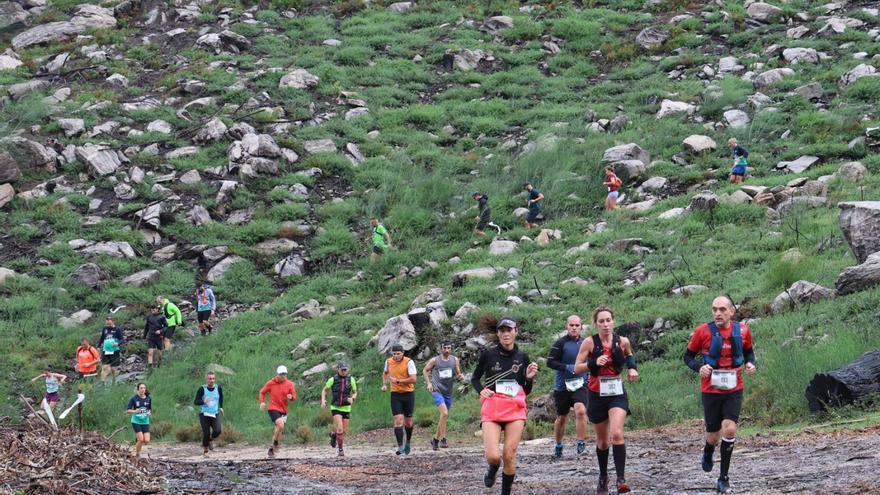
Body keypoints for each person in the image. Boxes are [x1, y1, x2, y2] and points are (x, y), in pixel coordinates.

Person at [684, 296, 756, 494]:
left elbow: (749, 352)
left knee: (730, 430)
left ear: (731, 311)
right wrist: (700, 367)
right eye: (715, 309)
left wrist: (751, 364)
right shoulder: (703, 331)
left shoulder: (742, 330)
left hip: (734, 387)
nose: (718, 313)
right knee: (713, 436)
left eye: (722, 309)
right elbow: (687, 357)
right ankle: (708, 450)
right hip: (711, 389)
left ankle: (723, 478)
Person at [574, 305, 639, 495]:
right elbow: (577, 368)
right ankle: (603, 476)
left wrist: (632, 368)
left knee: (617, 434)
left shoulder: (622, 341)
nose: (605, 324)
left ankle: (621, 480)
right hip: (596, 394)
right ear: (595, 324)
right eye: (601, 321)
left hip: (616, 392)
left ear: (613, 321)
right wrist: (594, 363)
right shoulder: (589, 342)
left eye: (608, 320)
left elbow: (629, 355)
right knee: (602, 442)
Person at [471, 316, 539, 495]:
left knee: (509, 453)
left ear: (516, 331)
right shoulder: (488, 355)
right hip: (492, 407)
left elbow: (526, 389)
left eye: (509, 330)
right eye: (502, 330)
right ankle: (493, 468)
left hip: (514, 408)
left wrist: (529, 378)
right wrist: (481, 390)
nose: (506, 334)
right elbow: (475, 378)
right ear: (498, 333)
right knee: (494, 456)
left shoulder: (523, 357)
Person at [547, 315, 589, 459]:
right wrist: (568, 367)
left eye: (577, 325)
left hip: (580, 384)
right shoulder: (560, 343)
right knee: (562, 418)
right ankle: (558, 445)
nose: (574, 328)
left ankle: (581, 445)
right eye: (571, 325)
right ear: (567, 326)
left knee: (581, 411)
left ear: (581, 327)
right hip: (562, 386)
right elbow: (550, 362)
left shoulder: (585, 343)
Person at [422, 341, 466, 450]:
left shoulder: (454, 360)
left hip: (448, 391)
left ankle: (435, 440)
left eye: (449, 348)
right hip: (437, 390)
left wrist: (461, 377)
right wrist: (429, 383)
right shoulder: (435, 360)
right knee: (444, 413)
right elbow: (425, 370)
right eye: (445, 348)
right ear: (441, 349)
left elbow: (458, 373)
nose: (447, 350)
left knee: (443, 416)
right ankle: (443, 439)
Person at [381, 344, 417, 455]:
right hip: (395, 394)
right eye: (394, 354)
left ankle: (408, 442)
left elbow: (413, 379)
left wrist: (398, 381)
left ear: (403, 353)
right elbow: (385, 373)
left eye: (398, 353)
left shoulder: (409, 362)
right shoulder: (388, 362)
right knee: (398, 421)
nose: (396, 356)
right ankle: (400, 446)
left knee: (409, 422)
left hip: (408, 394)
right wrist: (384, 384)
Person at [258, 365, 297, 459]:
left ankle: (271, 450)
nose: (283, 376)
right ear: (277, 374)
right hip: (273, 408)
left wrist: (291, 397)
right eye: (281, 374)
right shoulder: (271, 383)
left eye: (285, 374)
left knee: (278, 430)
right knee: (280, 425)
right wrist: (262, 402)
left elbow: (294, 396)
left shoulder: (290, 384)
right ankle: (276, 443)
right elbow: (262, 392)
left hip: (284, 410)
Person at [321, 362, 357, 457]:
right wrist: (323, 400)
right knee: (340, 428)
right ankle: (341, 451)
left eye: (345, 370)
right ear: (338, 369)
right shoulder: (333, 379)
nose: (344, 371)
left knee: (343, 431)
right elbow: (325, 389)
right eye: (342, 370)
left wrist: (352, 398)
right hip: (336, 407)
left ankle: (334, 435)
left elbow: (355, 392)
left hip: (346, 407)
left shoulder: (351, 379)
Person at [194, 371, 224, 456]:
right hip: (204, 414)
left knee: (218, 430)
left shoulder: (218, 388)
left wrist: (221, 407)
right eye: (210, 379)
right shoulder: (202, 389)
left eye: (213, 379)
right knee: (206, 433)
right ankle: (206, 451)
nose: (212, 380)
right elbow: (196, 402)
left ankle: (210, 439)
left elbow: (221, 397)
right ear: (206, 379)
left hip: (215, 413)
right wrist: (203, 401)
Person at [126, 383, 152, 458]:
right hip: (136, 421)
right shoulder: (134, 399)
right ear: (138, 389)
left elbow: (149, 409)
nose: (143, 389)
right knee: (141, 439)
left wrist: (149, 413)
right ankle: (137, 454)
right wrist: (135, 411)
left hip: (145, 421)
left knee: (146, 440)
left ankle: (137, 445)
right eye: (141, 388)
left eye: (144, 388)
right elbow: (128, 410)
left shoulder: (148, 398)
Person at [98, 317, 124, 383]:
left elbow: (122, 339)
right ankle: (102, 383)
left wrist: (117, 343)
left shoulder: (117, 329)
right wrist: (98, 346)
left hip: (114, 350)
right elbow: (102, 338)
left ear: (113, 322)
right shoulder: (104, 329)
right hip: (106, 350)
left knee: (113, 369)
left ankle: (114, 381)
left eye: (109, 323)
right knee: (104, 367)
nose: (108, 325)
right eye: (107, 323)